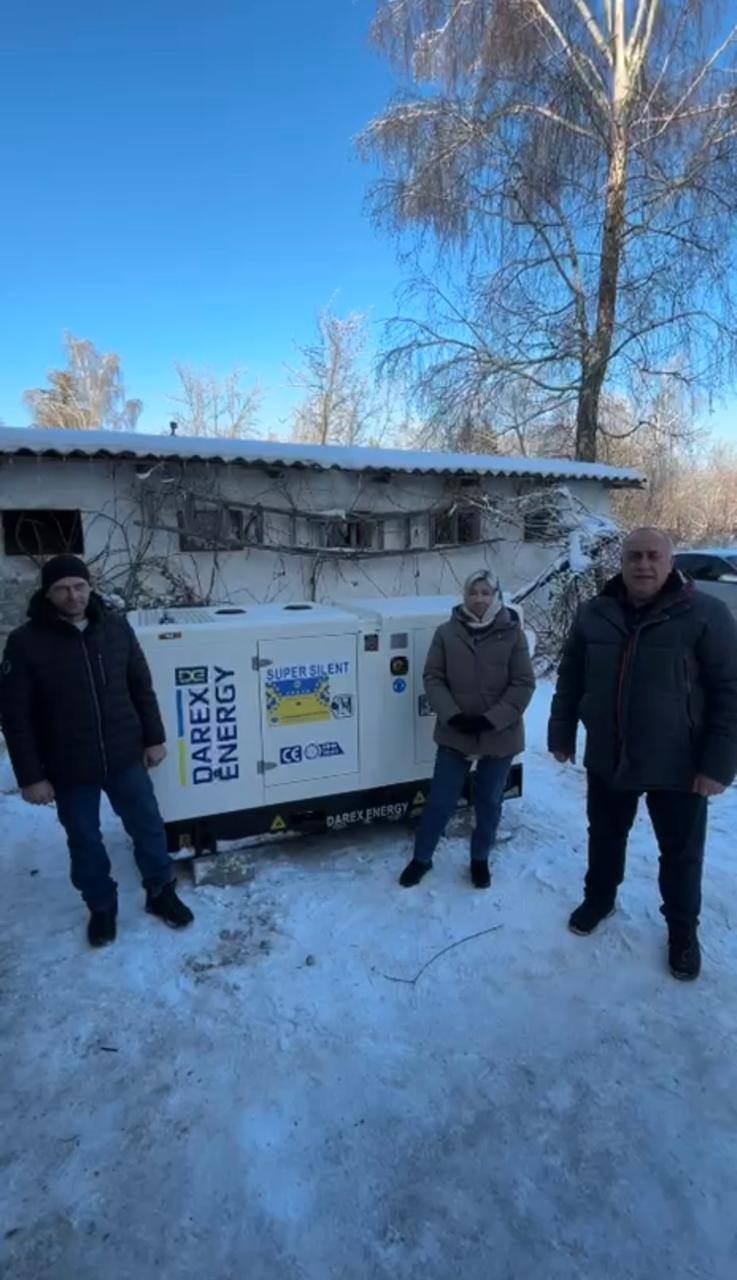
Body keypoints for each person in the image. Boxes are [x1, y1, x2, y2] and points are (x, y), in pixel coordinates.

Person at [548, 527, 737, 981]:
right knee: (604, 836)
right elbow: (571, 676)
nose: (644, 565)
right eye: (634, 556)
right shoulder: (594, 613)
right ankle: (599, 899)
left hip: (680, 763)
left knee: (681, 854)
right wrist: (561, 731)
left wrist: (717, 764)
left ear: (671, 562)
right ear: (622, 562)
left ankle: (682, 932)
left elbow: (730, 693)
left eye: (654, 556)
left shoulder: (706, 614)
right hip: (609, 755)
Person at [0, 554, 194, 948]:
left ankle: (160, 891)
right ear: (47, 593)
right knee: (85, 840)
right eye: (62, 589)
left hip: (124, 754)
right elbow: (15, 716)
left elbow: (141, 686)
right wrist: (32, 777)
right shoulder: (25, 643)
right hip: (69, 764)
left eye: (79, 586)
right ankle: (101, 906)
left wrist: (154, 738)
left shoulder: (115, 627)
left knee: (148, 826)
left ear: (90, 587)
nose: (73, 596)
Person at [399, 568, 535, 889]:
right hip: (455, 732)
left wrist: (491, 719)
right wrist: (452, 715)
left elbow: (523, 683)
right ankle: (422, 858)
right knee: (440, 801)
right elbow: (433, 677)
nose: (479, 599)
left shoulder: (512, 634)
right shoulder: (446, 633)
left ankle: (480, 859)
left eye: (485, 592)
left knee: (489, 801)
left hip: (499, 734)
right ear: (464, 596)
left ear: (496, 596)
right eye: (473, 592)